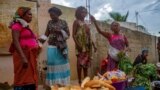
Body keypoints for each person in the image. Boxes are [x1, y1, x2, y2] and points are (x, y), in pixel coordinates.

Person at [38, 7, 70, 87]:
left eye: (53, 14)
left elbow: (68, 35)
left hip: (62, 48)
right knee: (52, 64)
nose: (51, 16)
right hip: (52, 47)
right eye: (50, 15)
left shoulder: (63, 22)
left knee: (62, 65)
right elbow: (46, 34)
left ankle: (63, 84)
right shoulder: (49, 22)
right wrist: (39, 42)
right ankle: (53, 85)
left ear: (58, 14)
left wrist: (60, 31)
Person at [9, 7, 40, 90]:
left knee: (30, 79)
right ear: (22, 15)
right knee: (22, 78)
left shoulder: (25, 26)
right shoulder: (16, 26)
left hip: (30, 56)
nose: (31, 16)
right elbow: (15, 41)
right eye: (29, 14)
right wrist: (23, 57)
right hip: (22, 56)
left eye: (31, 14)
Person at [72, 6, 97, 84]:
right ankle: (79, 81)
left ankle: (85, 80)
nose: (84, 13)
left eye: (85, 12)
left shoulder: (86, 23)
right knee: (79, 63)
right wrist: (78, 44)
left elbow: (89, 35)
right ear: (78, 13)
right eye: (82, 12)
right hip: (80, 45)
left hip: (87, 46)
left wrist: (94, 45)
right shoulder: (76, 22)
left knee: (86, 63)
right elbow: (73, 35)